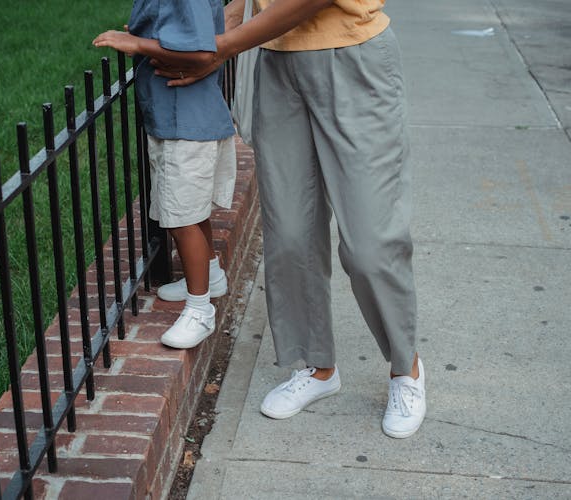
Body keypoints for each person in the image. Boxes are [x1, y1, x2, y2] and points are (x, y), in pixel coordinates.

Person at [153, 0, 426, 439]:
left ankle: (405, 369)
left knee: (371, 245)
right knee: (291, 236)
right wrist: (194, 39)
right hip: (278, 65)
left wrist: (220, 48)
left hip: (353, 58)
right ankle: (318, 368)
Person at [92, 0, 236, 350]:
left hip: (185, 122)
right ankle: (210, 275)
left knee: (180, 218)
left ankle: (200, 311)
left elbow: (203, 51)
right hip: (177, 117)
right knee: (189, 212)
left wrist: (138, 44)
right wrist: (144, 36)